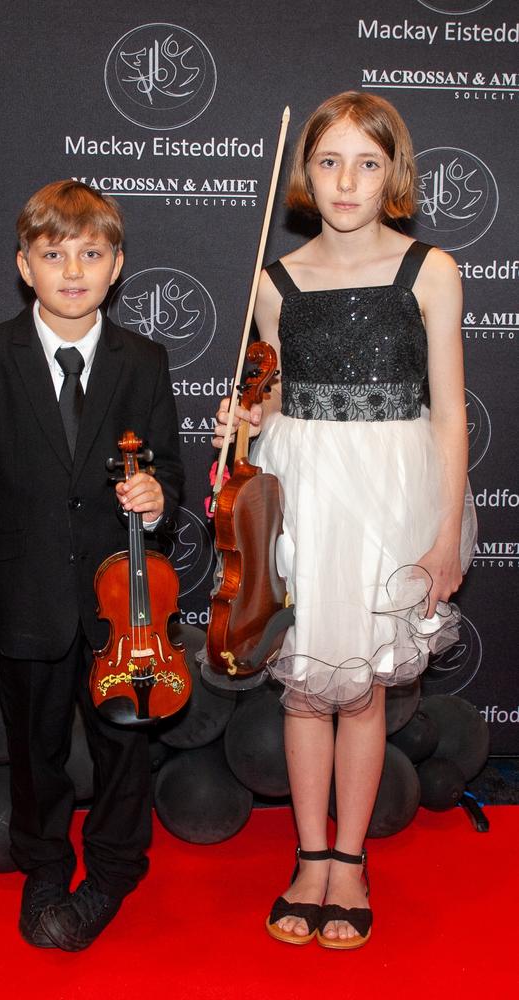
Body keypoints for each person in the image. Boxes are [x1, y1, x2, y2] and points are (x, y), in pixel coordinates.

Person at [213, 92, 476, 950]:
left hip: (392, 494)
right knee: (304, 691)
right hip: (305, 491)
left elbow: (447, 415)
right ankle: (310, 854)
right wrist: (243, 421)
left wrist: (444, 529)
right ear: (305, 174)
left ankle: (352, 862)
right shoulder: (274, 283)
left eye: (367, 162)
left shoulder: (430, 270)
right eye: (329, 162)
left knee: (360, 690)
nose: (347, 180)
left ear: (393, 172)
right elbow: (277, 391)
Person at [0, 180, 183, 951]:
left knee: (123, 744)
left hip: (122, 608)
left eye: (90, 252)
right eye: (53, 254)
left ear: (117, 267)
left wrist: (156, 499)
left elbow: (171, 474)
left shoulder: (143, 360)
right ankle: (44, 864)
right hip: (24, 598)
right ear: (24, 265)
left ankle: (114, 866)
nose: (72, 269)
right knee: (36, 746)